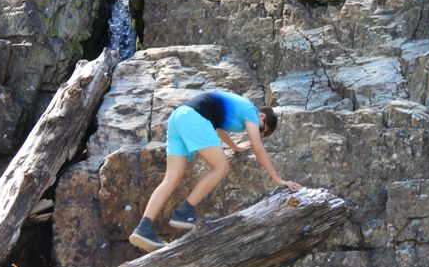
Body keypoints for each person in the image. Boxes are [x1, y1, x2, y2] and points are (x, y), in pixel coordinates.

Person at [129, 90, 302, 252]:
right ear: (261, 116)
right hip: (193, 117)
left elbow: (217, 128)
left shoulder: (238, 110)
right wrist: (279, 180)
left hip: (178, 117)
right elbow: (258, 149)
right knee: (221, 168)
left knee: (172, 178)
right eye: (261, 129)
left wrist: (234, 146)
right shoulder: (251, 110)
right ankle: (184, 213)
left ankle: (143, 228)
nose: (257, 133)